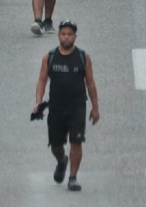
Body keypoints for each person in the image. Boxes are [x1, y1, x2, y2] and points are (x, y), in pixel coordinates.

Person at [33, 20, 98, 193]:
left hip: (77, 107)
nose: (66, 37)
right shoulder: (50, 57)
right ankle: (62, 161)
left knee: (76, 141)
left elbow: (90, 83)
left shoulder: (83, 57)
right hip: (56, 108)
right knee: (56, 145)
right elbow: (41, 80)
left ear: (75, 37)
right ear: (58, 36)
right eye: (63, 34)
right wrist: (38, 102)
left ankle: (73, 177)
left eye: (70, 34)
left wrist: (95, 107)